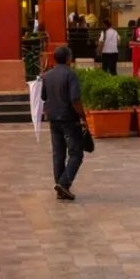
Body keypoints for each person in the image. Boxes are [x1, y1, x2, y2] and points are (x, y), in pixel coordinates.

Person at [40, 45, 87, 201]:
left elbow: (44, 96)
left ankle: (60, 185)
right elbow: (75, 99)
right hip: (69, 118)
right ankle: (63, 183)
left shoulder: (47, 76)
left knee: (58, 153)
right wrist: (83, 116)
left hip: (53, 118)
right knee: (76, 153)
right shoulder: (70, 75)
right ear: (68, 58)